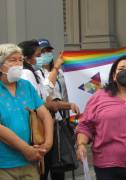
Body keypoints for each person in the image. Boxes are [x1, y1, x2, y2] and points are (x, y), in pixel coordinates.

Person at [0, 43, 53, 180]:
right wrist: (25, 149)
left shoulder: (26, 86)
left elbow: (45, 114)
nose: (18, 64)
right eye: (12, 60)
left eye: (20, 60)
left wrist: (47, 144)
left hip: (30, 162)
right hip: (4, 165)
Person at [36, 38, 80, 180]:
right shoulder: (37, 74)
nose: (47, 54)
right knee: (45, 167)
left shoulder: (60, 72)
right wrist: (55, 68)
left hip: (61, 124)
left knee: (60, 165)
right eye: (43, 52)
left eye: (49, 51)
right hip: (45, 125)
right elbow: (47, 92)